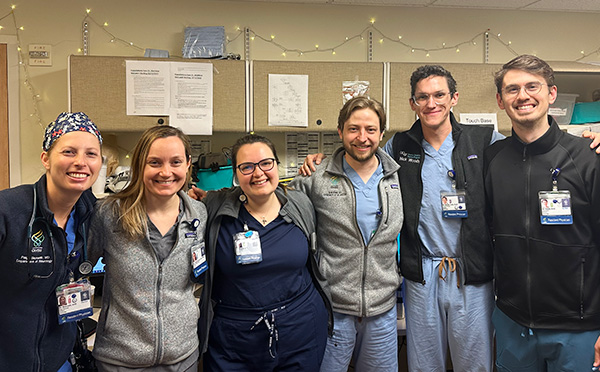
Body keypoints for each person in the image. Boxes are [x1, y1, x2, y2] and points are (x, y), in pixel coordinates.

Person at [484, 54, 600, 372]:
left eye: (532, 86)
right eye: (512, 89)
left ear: (551, 94)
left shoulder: (588, 159)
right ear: (500, 100)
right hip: (513, 323)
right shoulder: (491, 159)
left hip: (578, 328)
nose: (523, 96)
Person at [197, 134, 332, 371]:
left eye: (266, 163)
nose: (258, 173)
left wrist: (324, 160)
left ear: (276, 165)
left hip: (300, 331)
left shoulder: (301, 204)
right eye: (247, 167)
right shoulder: (215, 208)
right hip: (233, 340)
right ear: (236, 174)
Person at [292, 96, 403, 372]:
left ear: (381, 133)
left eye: (370, 129)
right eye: (353, 129)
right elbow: (277, 213)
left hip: (382, 309)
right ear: (340, 131)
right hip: (332, 308)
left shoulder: (400, 178)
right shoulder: (314, 176)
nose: (362, 138)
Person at [88, 125, 207, 371]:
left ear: (188, 164)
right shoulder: (109, 214)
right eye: (155, 162)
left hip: (182, 359)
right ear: (140, 164)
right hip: (119, 360)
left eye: (175, 162)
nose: (166, 172)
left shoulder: (199, 214)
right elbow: (78, 268)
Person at [0, 112, 102, 371]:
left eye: (91, 154)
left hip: (61, 363)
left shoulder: (94, 216)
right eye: (69, 152)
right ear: (46, 158)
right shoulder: (8, 211)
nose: (81, 162)